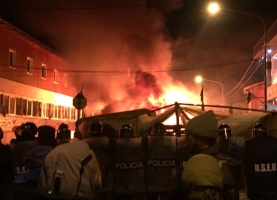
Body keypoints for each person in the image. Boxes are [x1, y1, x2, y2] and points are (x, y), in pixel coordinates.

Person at [39, 129, 102, 199]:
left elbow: (43, 185)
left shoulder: (51, 154)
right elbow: (97, 181)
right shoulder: (89, 153)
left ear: (57, 139)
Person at [181, 110, 224, 199]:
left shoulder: (200, 164)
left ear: (199, 137)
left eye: (189, 135)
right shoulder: (222, 159)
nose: (186, 139)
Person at [244, 123, 277, 200]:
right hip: (273, 186)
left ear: (254, 133)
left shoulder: (248, 145)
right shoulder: (274, 142)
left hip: (255, 187)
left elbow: (245, 163)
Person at [216, 123, 245, 200]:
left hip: (233, 174)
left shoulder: (236, 143)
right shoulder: (218, 145)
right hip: (225, 174)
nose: (225, 136)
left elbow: (240, 158)